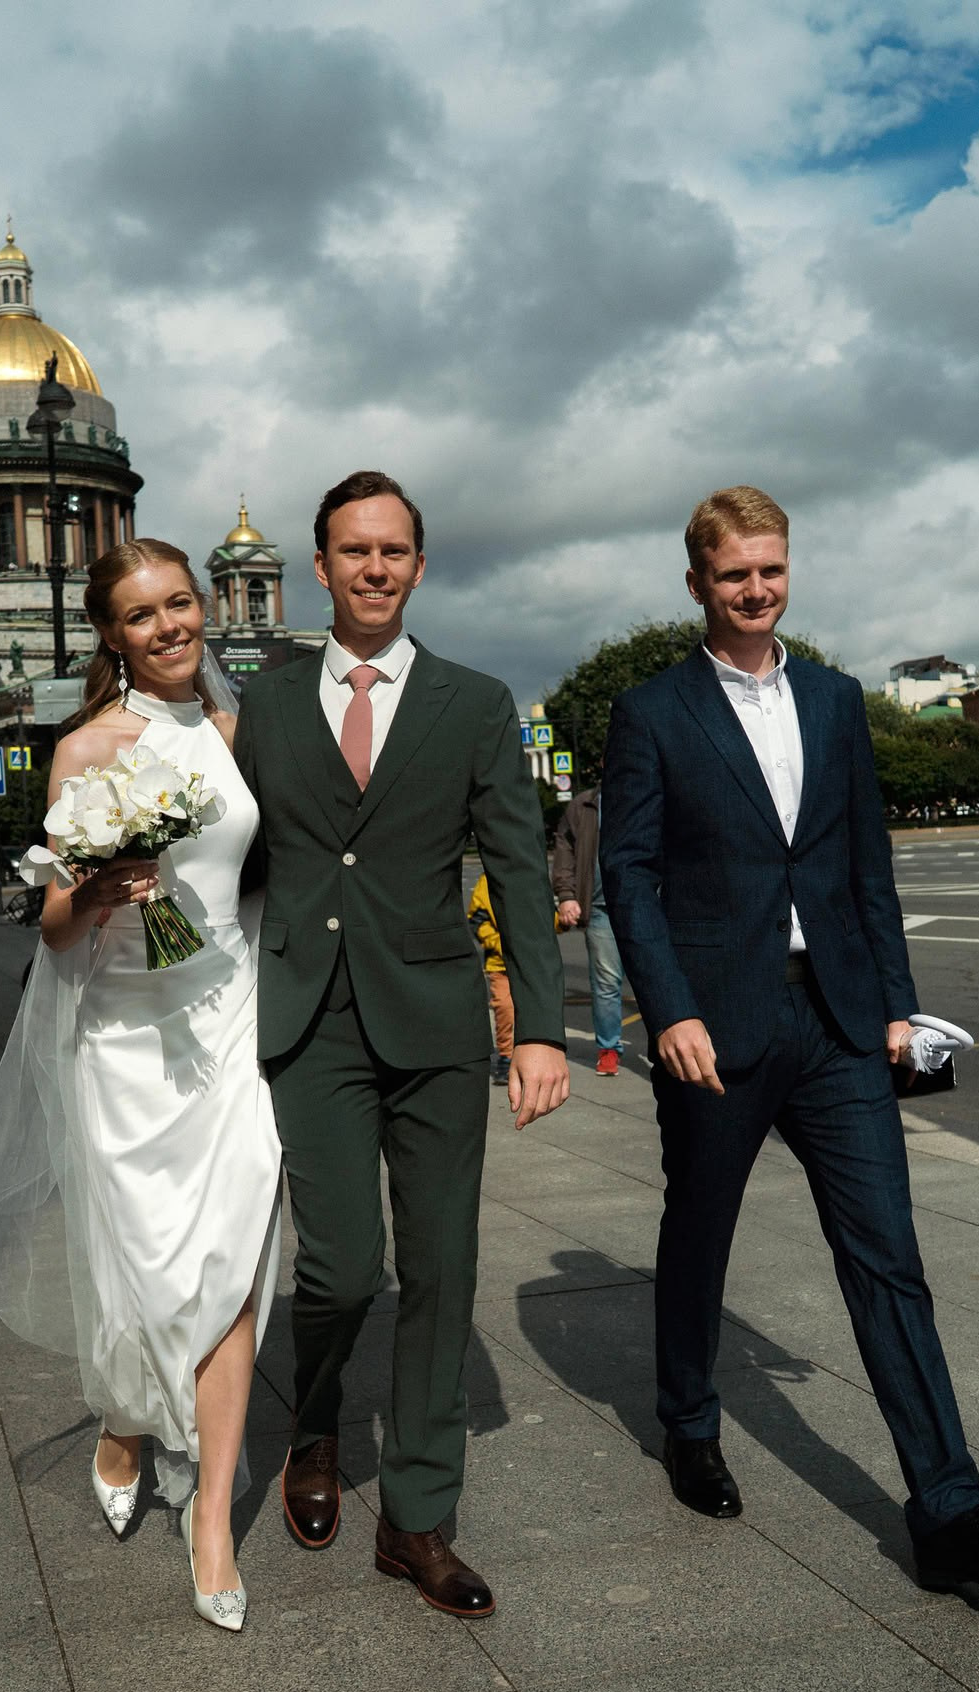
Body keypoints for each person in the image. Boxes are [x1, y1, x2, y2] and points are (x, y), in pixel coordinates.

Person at [598, 486, 979, 1599]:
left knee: (887, 1260)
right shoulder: (653, 711)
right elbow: (629, 875)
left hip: (842, 1024)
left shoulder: (836, 699)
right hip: (717, 1030)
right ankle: (689, 1420)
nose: (755, 591)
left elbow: (867, 869)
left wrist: (898, 1006)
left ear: (787, 568)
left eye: (770, 570)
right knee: (699, 1235)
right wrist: (667, 1011)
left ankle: (949, 1515)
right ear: (696, 585)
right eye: (732, 576)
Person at [233, 470, 568, 1620]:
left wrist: (539, 1027)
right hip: (310, 1021)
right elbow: (225, 858)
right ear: (318, 568)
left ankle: (419, 1516)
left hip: (432, 1024)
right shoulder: (264, 705)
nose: (373, 568)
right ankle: (315, 1429)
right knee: (339, 1263)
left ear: (419, 568)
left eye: (394, 551)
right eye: (351, 550)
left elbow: (518, 869)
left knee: (440, 1266)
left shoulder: (474, 703)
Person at [0, 539, 277, 1633]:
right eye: (142, 614)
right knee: (143, 1274)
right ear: (110, 635)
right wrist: (106, 892)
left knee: (230, 1258)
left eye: (182, 603)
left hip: (229, 1021)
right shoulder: (82, 749)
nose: (171, 626)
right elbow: (54, 928)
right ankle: (126, 1422)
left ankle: (211, 1514)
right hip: (124, 1040)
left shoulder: (232, 727)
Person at [552, 786, 625, 1076]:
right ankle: (609, 1048)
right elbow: (564, 847)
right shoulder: (584, 805)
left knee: (657, 978)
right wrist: (566, 894)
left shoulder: (652, 791)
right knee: (606, 983)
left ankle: (666, 1045)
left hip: (648, 905)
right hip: (600, 907)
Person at [466, 873, 516, 1084]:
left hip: (532, 961)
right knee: (505, 1008)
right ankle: (506, 1055)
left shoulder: (532, 876)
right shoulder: (486, 881)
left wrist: (561, 921)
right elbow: (478, 919)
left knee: (535, 1010)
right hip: (500, 962)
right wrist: (499, 944)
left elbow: (547, 916)